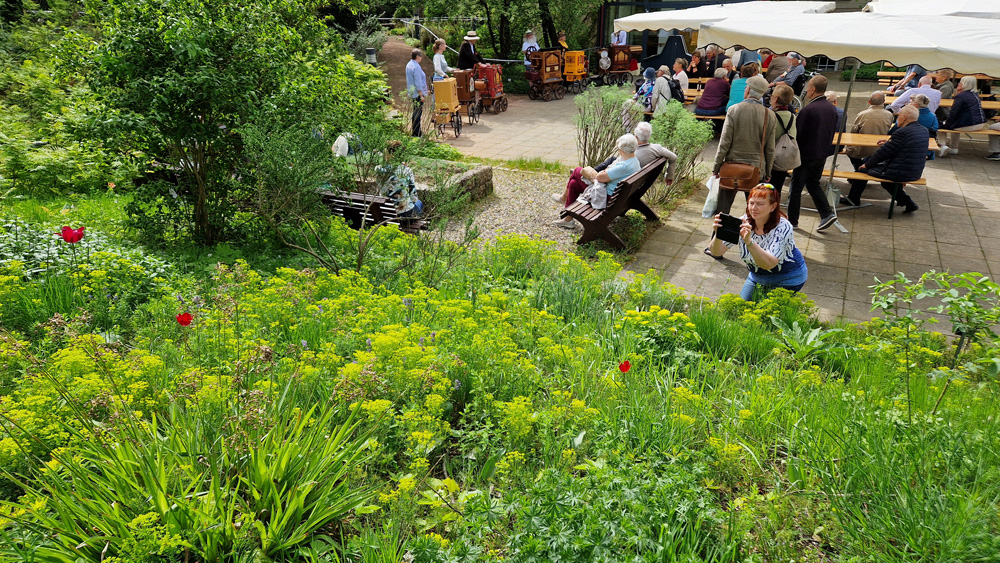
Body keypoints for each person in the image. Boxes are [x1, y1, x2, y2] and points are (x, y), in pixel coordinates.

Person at [707, 183, 808, 301]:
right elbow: (717, 251)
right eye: (751, 203)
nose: (754, 208)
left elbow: (769, 264)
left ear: (773, 206)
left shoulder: (783, 227)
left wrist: (749, 241)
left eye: (760, 204)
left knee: (764, 315)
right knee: (740, 310)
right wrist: (719, 234)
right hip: (757, 277)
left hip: (787, 278)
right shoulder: (744, 221)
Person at [553, 122, 677, 204]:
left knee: (577, 173)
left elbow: (608, 175)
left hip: (613, 187)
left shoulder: (632, 156)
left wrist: (601, 173)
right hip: (628, 185)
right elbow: (673, 157)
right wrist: (669, 175)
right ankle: (567, 216)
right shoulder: (657, 148)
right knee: (575, 182)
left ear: (636, 138)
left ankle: (569, 191)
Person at [711, 75, 776, 216]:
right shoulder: (769, 115)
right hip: (756, 169)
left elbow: (724, 143)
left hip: (731, 167)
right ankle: (752, 236)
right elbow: (770, 148)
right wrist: (768, 172)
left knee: (723, 210)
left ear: (748, 91)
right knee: (755, 210)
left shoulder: (734, 109)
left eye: (746, 87)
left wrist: (716, 167)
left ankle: (719, 236)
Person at [553, 134, 641, 227]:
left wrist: (605, 171)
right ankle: (568, 219)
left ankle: (564, 198)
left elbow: (599, 178)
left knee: (577, 170)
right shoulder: (634, 161)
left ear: (621, 150)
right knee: (573, 184)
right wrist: (606, 172)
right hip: (617, 197)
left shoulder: (624, 166)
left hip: (606, 197)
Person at [786, 75, 838, 231]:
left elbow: (798, 134)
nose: (807, 90)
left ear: (813, 89)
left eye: (808, 87)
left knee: (795, 188)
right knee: (813, 183)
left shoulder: (808, 110)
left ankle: (793, 221)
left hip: (806, 155)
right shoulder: (831, 108)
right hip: (821, 154)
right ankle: (827, 213)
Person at [857, 105, 925, 214]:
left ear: (904, 117)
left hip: (900, 172)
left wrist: (867, 165)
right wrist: (890, 142)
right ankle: (908, 203)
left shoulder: (901, 133)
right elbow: (902, 146)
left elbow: (883, 153)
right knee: (887, 183)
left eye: (899, 116)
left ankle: (853, 199)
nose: (897, 118)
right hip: (914, 171)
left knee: (861, 169)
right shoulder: (923, 131)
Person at [841, 91, 893, 206]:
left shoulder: (862, 114)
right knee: (862, 163)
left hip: (862, 150)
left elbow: (854, 132)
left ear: (869, 101)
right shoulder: (889, 115)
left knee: (850, 152)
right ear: (884, 102)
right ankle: (858, 171)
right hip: (879, 150)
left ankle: (857, 172)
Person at [939, 75, 986, 157]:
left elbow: (954, 112)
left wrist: (945, 125)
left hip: (971, 124)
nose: (958, 84)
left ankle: (943, 146)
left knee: (940, 126)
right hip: (980, 123)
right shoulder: (974, 94)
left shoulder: (962, 96)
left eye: (960, 83)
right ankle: (953, 147)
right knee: (953, 125)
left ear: (964, 84)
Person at [377, 140, 423, 217]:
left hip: (384, 211)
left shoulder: (378, 169)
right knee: (419, 203)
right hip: (403, 213)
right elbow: (413, 197)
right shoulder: (407, 170)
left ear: (389, 154)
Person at [768, 84, 797, 197]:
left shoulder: (770, 115)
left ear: (775, 98)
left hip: (771, 159)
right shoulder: (792, 116)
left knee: (767, 191)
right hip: (784, 158)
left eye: (772, 95)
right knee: (777, 191)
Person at [405, 48, 428, 137]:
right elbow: (418, 82)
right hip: (417, 93)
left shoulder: (409, 64)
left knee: (415, 112)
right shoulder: (416, 66)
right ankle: (417, 132)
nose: (422, 58)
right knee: (418, 112)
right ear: (417, 56)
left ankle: (415, 130)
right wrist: (421, 95)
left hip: (412, 92)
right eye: (421, 56)